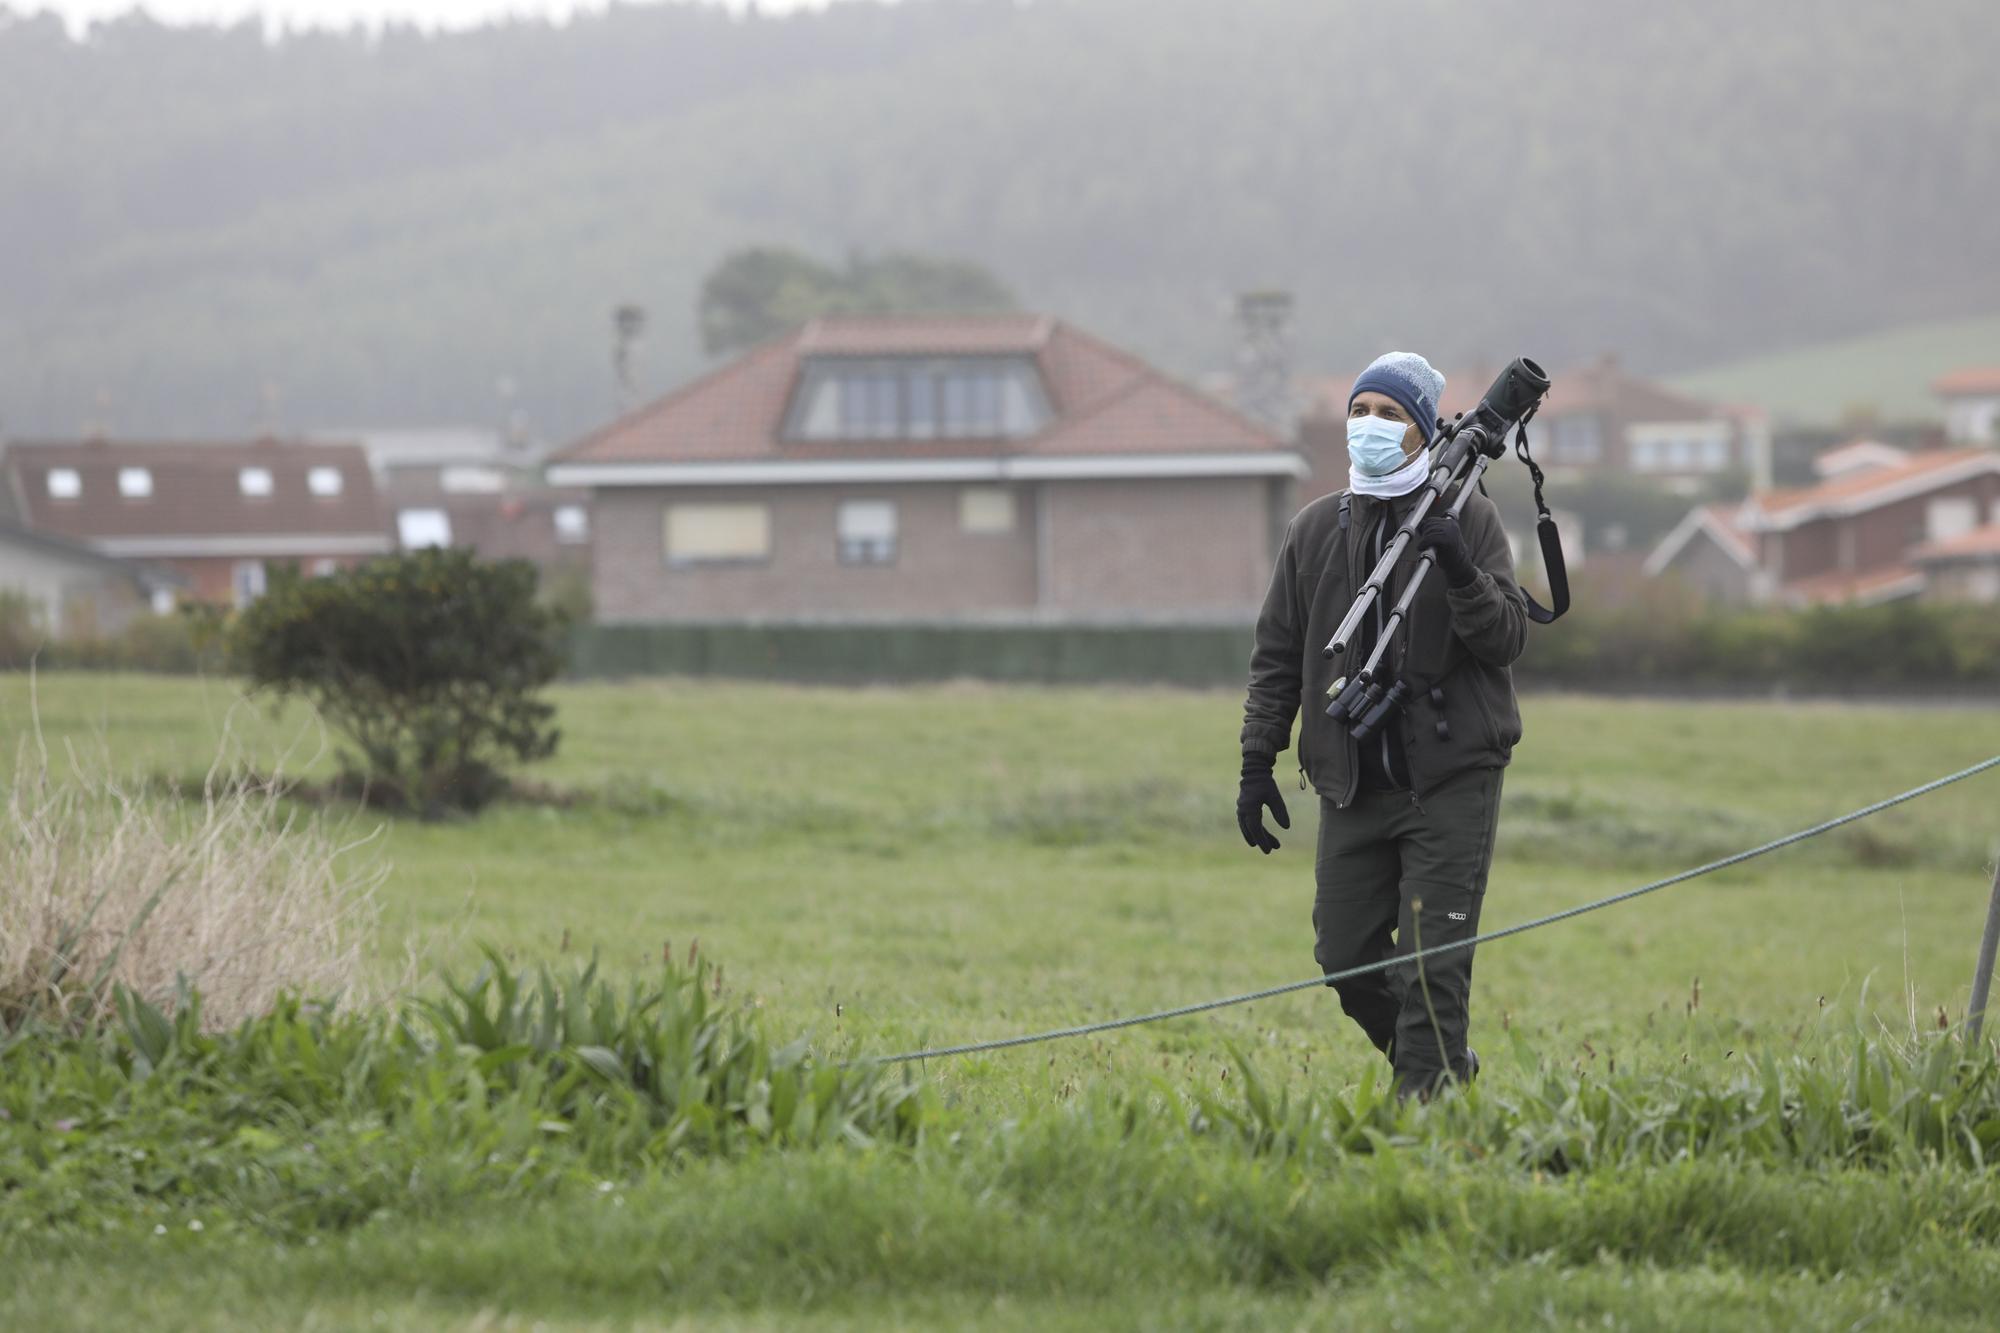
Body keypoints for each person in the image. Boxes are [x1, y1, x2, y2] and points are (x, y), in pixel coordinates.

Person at [1236, 351, 1528, 1099]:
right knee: (1346, 955)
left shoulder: (1472, 517)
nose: (1369, 426)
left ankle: (1423, 1120)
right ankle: (1442, 1074)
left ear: (1425, 431)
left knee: (1432, 968)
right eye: (1360, 410)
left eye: (1391, 414)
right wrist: (1256, 761)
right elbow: (1275, 655)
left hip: (1449, 780)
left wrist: (1459, 568)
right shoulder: (1313, 530)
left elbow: (1504, 640)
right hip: (1351, 782)